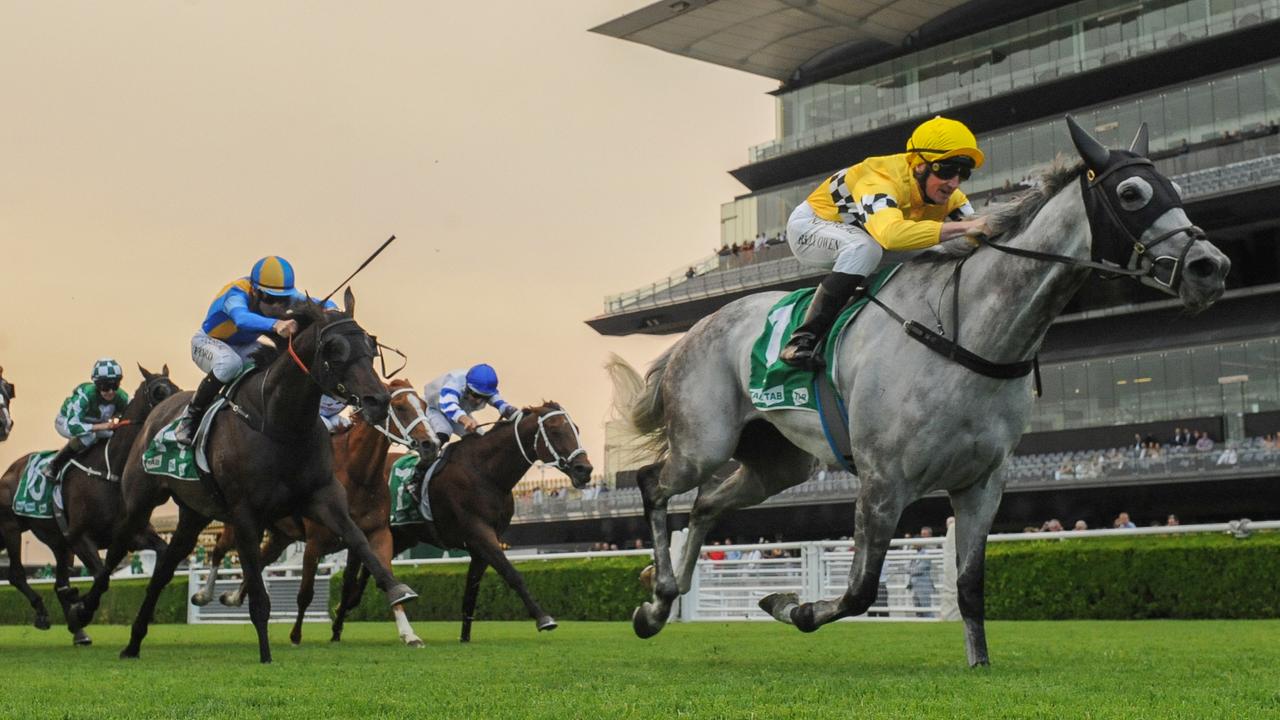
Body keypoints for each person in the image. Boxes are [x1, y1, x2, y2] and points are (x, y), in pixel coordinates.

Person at [779, 115, 989, 369]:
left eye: (962, 173)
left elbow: (981, 239)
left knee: (942, 249)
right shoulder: (879, 178)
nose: (953, 183)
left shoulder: (950, 196)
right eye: (945, 170)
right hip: (812, 225)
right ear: (919, 164)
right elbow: (890, 235)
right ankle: (801, 340)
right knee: (865, 249)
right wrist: (966, 226)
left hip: (868, 234)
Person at [175, 256, 336, 446]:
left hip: (243, 346)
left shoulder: (287, 297)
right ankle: (190, 418)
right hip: (208, 341)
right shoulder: (235, 294)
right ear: (256, 292)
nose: (278, 306)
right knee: (229, 364)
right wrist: (276, 324)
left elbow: (327, 305)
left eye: (283, 301)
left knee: (278, 362)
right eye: (270, 299)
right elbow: (241, 318)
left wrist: (331, 314)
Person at [43, 359, 130, 482]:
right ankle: (54, 465)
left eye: (114, 385)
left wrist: (116, 420)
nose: (111, 391)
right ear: (97, 385)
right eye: (105, 387)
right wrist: (103, 426)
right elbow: (74, 427)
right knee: (88, 436)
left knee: (114, 435)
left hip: (96, 424)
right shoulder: (85, 397)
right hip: (67, 422)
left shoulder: (122, 397)